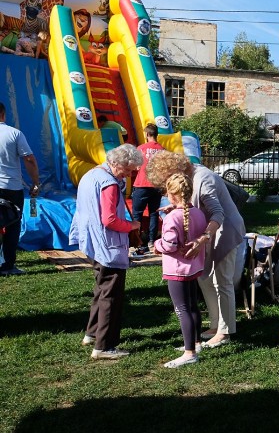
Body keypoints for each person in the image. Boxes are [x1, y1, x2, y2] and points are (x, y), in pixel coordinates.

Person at [147, 151, 246, 349]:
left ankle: (225, 331)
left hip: (224, 230)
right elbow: (192, 205)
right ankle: (215, 324)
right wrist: (174, 208)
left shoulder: (204, 178)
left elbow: (218, 213)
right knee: (205, 278)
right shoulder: (189, 177)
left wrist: (203, 238)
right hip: (207, 230)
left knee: (222, 281)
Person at [71, 144, 142, 359]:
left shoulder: (91, 174)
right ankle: (105, 346)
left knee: (101, 289)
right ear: (116, 163)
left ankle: (92, 334)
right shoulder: (109, 183)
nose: (130, 175)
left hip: (92, 241)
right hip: (106, 244)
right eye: (128, 170)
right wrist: (133, 226)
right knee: (111, 295)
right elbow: (110, 219)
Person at [154, 173, 207, 368]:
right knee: (192, 305)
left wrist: (157, 244)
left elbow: (169, 245)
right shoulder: (198, 213)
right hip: (193, 267)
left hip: (177, 269)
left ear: (170, 194)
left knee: (182, 309)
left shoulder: (172, 218)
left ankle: (189, 353)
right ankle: (196, 342)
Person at [0, 102, 39, 275]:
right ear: (4, 114)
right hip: (10, 187)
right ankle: (8, 265)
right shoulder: (13, 133)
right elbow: (29, 159)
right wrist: (35, 182)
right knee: (12, 225)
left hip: (10, 186)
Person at [131, 123, 165, 256]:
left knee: (137, 214)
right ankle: (151, 241)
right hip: (156, 185)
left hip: (141, 184)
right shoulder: (163, 150)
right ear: (156, 134)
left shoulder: (141, 148)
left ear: (146, 134)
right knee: (153, 213)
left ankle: (137, 241)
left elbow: (136, 166)